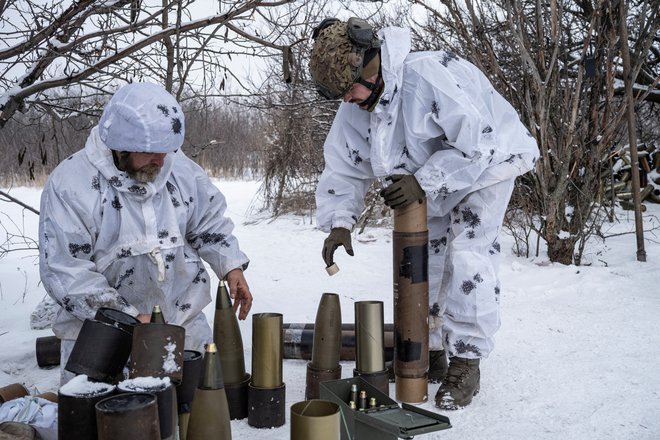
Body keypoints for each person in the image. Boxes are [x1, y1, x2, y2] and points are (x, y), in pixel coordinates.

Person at [309, 18, 539, 409]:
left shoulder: (427, 77)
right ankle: (429, 349)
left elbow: (476, 145)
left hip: (488, 166)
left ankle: (467, 359)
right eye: (339, 95)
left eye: (348, 89)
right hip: (429, 176)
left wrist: (424, 182)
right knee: (422, 263)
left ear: (369, 63)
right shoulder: (357, 104)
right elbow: (343, 168)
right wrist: (339, 223)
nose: (345, 99)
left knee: (468, 255)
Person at [38, 82, 253, 384]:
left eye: (168, 151)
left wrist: (230, 266)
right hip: (101, 336)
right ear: (121, 144)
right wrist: (126, 315)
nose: (162, 161)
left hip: (182, 324)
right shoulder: (71, 185)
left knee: (193, 417)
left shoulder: (180, 171)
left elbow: (209, 221)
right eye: (152, 152)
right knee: (106, 425)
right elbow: (64, 271)